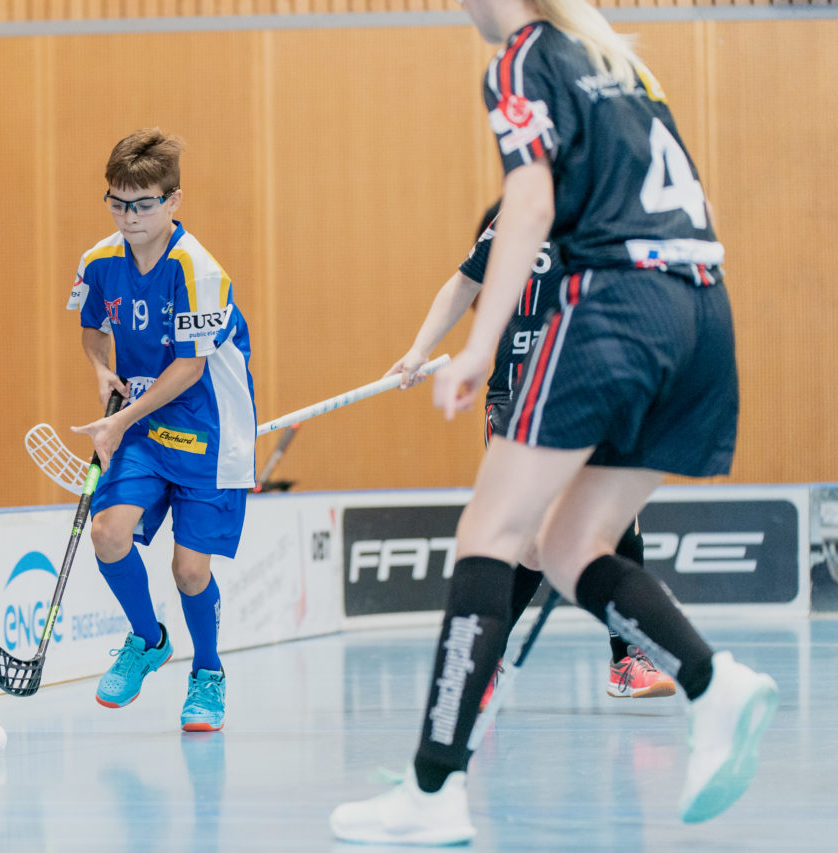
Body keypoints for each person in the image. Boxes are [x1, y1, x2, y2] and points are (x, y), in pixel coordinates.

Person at [331, 0, 777, 844]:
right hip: (703, 317)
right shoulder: (612, 60)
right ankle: (715, 687)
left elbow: (524, 209)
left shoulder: (523, 54)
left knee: (488, 532)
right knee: (571, 548)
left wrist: (477, 345)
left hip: (617, 306)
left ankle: (433, 789)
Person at [392, 201, 676, 705]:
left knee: (617, 522)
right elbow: (464, 282)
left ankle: (627, 659)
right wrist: (418, 350)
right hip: (518, 397)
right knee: (531, 544)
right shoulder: (519, 213)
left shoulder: (610, 213)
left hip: (590, 387)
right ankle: (486, 659)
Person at [66, 128, 256, 733]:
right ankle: (148, 641)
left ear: (173, 201)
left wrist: (118, 419)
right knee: (108, 533)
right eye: (118, 202)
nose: (129, 216)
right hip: (145, 422)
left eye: (143, 204)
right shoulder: (98, 261)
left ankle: (207, 674)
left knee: (190, 571)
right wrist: (102, 373)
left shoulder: (197, 270)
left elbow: (191, 365)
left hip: (210, 429)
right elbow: (93, 326)